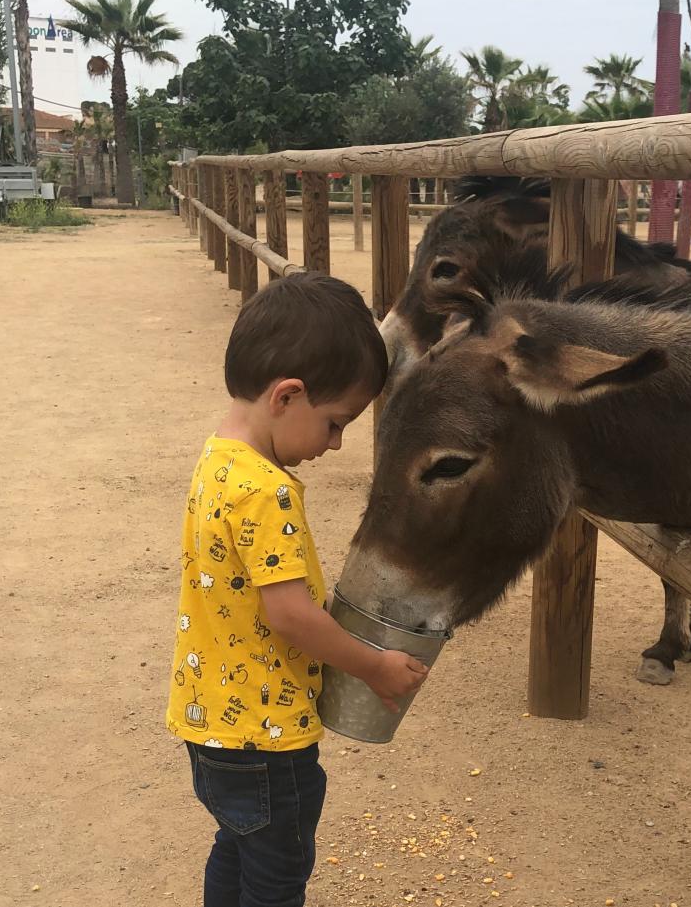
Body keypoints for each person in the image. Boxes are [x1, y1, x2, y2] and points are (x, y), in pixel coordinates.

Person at [166, 273, 430, 907]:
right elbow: (291, 617)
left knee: (236, 844)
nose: (335, 443)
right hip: (265, 736)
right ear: (288, 395)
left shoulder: (217, 458)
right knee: (278, 874)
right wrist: (376, 668)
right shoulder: (266, 490)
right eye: (336, 423)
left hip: (210, 725)